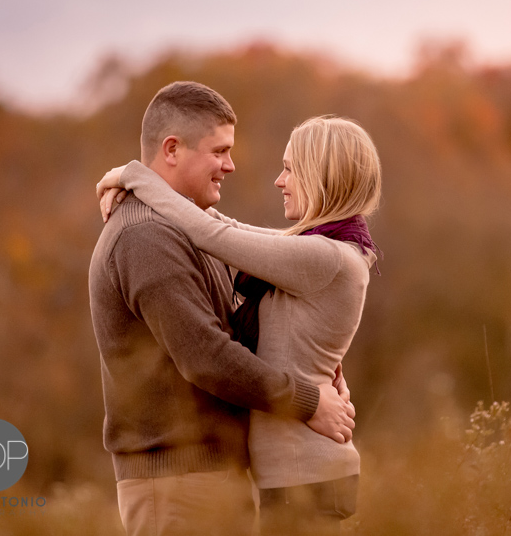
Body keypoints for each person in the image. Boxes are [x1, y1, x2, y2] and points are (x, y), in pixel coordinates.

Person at [88, 82, 355, 536]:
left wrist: (320, 366)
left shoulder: (184, 227)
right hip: (177, 484)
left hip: (208, 477)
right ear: (172, 149)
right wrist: (308, 402)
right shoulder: (145, 237)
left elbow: (235, 328)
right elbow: (206, 356)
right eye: (220, 151)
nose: (230, 165)